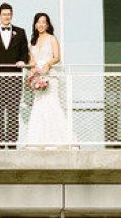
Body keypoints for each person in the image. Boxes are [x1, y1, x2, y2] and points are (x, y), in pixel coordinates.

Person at [20, 12, 75, 149]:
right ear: (35, 24)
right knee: (39, 107)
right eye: (38, 22)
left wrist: (48, 65)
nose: (41, 25)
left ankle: (59, 140)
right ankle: (38, 141)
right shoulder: (32, 42)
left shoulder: (52, 38)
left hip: (50, 77)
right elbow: (32, 60)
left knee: (52, 105)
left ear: (48, 24)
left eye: (44, 22)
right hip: (38, 77)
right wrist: (31, 69)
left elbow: (57, 57)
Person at [0, 2, 29, 148]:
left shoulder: (20, 32)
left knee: (13, 110)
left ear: (12, 15)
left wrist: (23, 60)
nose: (6, 17)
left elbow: (24, 51)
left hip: (15, 77)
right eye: (4, 14)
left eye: (9, 14)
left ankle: (12, 143)